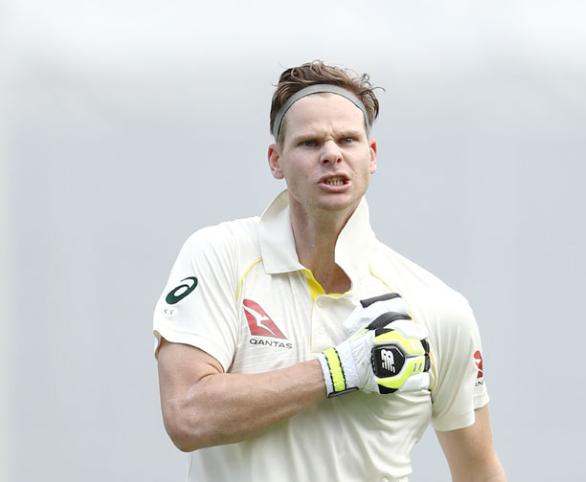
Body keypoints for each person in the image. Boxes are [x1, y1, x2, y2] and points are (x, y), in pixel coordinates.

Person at [153, 60, 507, 482]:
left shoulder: (438, 308)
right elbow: (188, 415)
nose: (332, 154)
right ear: (275, 161)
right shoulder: (220, 256)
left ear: (370, 157)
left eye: (348, 139)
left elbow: (478, 470)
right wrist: (338, 370)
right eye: (309, 142)